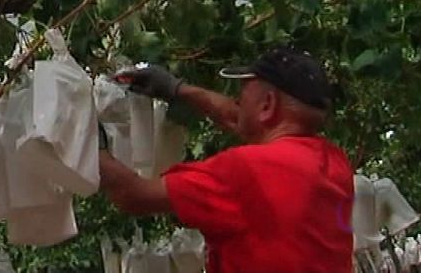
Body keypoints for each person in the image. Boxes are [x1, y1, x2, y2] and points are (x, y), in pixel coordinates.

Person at [99, 46, 354, 273]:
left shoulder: (241, 171)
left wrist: (83, 137)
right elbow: (239, 118)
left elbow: (134, 195)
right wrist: (176, 89)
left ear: (268, 104)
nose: (237, 98)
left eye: (243, 91)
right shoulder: (335, 163)